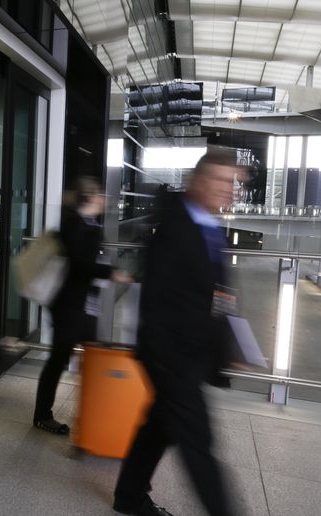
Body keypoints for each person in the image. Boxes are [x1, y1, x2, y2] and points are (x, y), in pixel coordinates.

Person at [113, 148, 243, 516]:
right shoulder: (174, 229)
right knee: (198, 441)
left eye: (232, 182)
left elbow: (215, 293)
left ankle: (128, 496)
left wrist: (225, 344)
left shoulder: (209, 225)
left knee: (160, 425)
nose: (227, 189)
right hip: (171, 354)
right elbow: (156, 303)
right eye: (220, 180)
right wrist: (172, 363)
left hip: (192, 350)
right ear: (197, 182)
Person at [33, 176, 131, 434]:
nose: (105, 199)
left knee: (91, 354)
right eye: (101, 195)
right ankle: (43, 415)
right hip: (67, 305)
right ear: (89, 198)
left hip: (80, 304)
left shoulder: (87, 224)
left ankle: (92, 414)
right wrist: (110, 272)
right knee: (60, 358)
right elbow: (79, 264)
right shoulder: (74, 224)